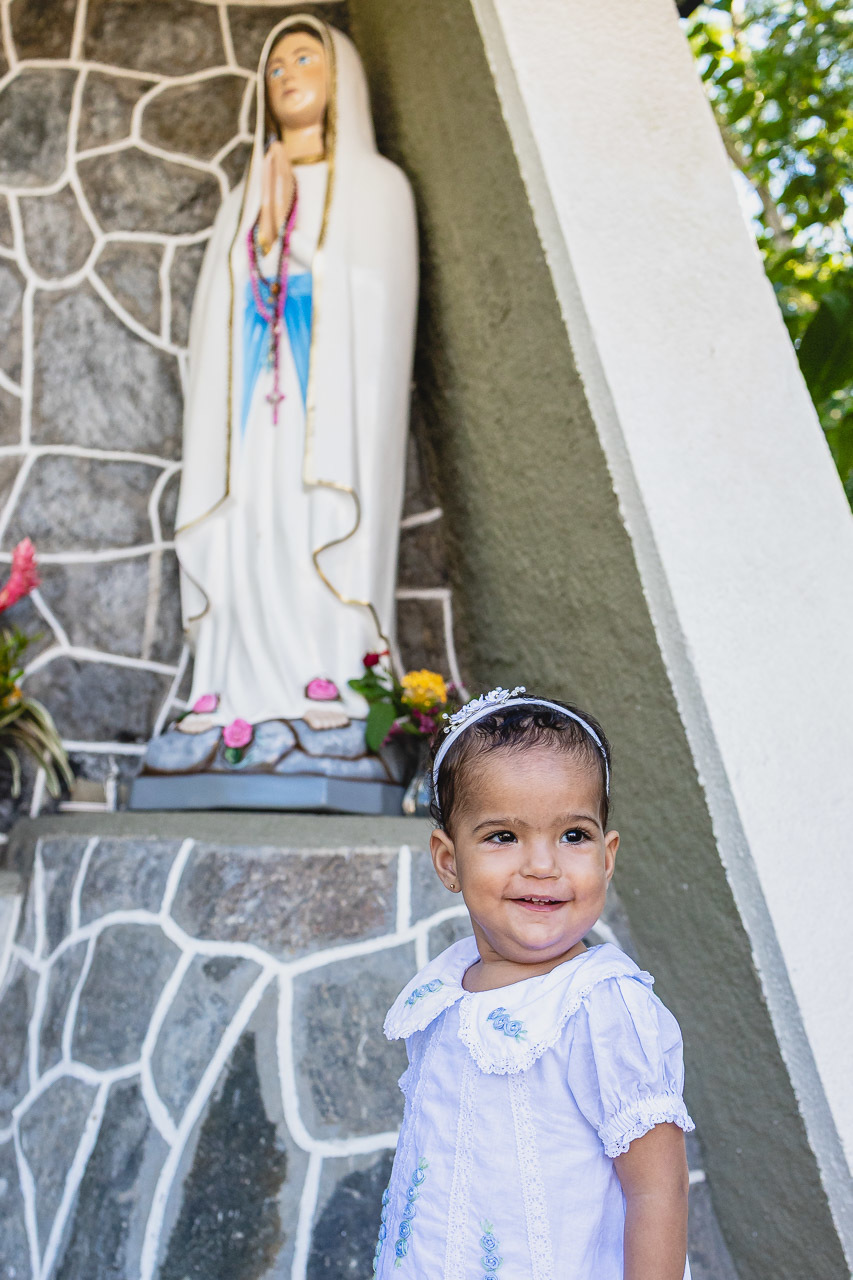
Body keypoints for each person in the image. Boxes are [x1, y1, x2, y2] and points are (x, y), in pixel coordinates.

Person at [375, 687, 694, 1279]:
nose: (543, 865)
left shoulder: (601, 1005)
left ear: (607, 855)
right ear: (449, 861)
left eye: (574, 835)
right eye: (503, 836)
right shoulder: (446, 988)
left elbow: (658, 1191)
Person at [175, 15, 417, 733]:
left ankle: (328, 667)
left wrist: (294, 240)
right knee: (246, 517)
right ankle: (228, 678)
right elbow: (215, 309)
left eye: (303, 59)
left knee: (312, 513)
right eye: (274, 67)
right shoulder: (246, 191)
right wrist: (261, 235)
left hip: (326, 402)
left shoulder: (377, 186)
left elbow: (378, 304)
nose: (285, 75)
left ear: (340, 77)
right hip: (254, 397)